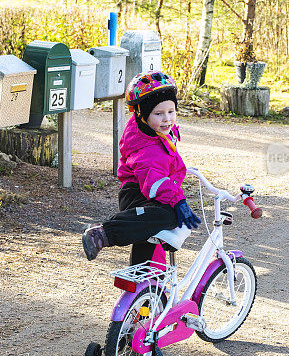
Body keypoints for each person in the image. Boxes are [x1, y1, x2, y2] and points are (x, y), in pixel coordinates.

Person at [82, 71, 201, 264]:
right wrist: (178, 200)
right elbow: (154, 183)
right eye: (158, 113)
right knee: (169, 215)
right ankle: (102, 234)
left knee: (146, 244)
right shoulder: (145, 147)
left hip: (152, 190)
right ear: (142, 114)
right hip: (138, 194)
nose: (167, 119)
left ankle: (143, 290)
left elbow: (167, 162)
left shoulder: (154, 130)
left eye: (171, 111)